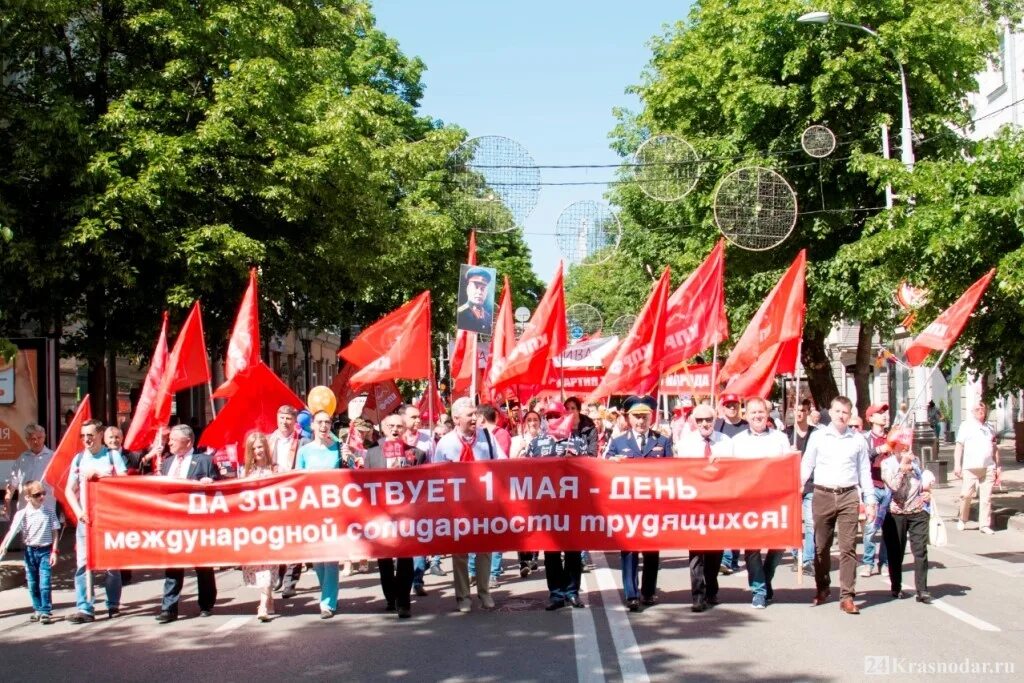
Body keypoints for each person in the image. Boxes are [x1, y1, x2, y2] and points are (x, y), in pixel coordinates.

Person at [801, 396, 874, 615]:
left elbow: (864, 473)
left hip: (848, 495)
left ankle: (847, 596)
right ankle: (823, 587)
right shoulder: (818, 436)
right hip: (822, 494)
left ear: (849, 415)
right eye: (838, 411)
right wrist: (797, 487)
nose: (841, 416)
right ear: (830, 412)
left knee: (848, 547)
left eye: (845, 412)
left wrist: (869, 502)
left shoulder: (858, 440)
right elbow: (807, 464)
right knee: (821, 547)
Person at [434, 397, 507, 612]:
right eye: (470, 415)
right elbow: (436, 475)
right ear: (456, 419)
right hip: (458, 508)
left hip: (484, 504)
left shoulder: (487, 437)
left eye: (475, 414)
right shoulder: (446, 443)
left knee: (484, 550)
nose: (475, 418)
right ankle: (463, 596)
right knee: (460, 553)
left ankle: (484, 592)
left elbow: (503, 464)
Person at [605, 395, 672, 612]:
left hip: (653, 506)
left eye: (644, 416)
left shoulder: (662, 441)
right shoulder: (618, 442)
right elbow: (603, 468)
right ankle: (631, 594)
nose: (641, 421)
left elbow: (674, 471)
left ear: (651, 417)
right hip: (628, 507)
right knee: (629, 550)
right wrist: (611, 463)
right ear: (629, 418)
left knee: (652, 550)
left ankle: (648, 591)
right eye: (636, 417)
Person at [730, 398, 797, 609]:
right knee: (752, 549)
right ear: (746, 415)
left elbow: (789, 469)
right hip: (749, 502)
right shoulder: (738, 441)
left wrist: (793, 458)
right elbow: (727, 468)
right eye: (753, 412)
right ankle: (759, 590)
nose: (757, 415)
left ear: (767, 414)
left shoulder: (780, 438)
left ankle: (765, 578)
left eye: (761, 412)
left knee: (778, 546)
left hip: (776, 501)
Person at [364, 414, 426, 619]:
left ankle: (404, 600)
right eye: (391, 426)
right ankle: (390, 596)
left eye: (399, 426)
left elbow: (424, 485)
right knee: (384, 558)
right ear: (383, 427)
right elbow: (365, 484)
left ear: (405, 428)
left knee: (405, 557)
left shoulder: (416, 453)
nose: (395, 429)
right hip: (380, 514)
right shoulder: (372, 453)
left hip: (406, 514)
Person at [156, 424, 220, 623]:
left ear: (188, 441)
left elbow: (221, 488)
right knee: (173, 565)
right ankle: (169, 608)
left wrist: (212, 483)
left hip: (198, 523)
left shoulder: (205, 461)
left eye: (174, 439)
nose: (170, 442)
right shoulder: (167, 463)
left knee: (202, 565)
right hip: (173, 523)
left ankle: (206, 604)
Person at [65, 419, 126, 623]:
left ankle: (113, 605)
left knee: (111, 564)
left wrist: (100, 477)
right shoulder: (79, 459)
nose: (86, 439)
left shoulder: (112, 456)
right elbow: (69, 490)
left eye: (90, 435)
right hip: (86, 520)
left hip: (109, 519)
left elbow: (124, 484)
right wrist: (78, 511)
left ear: (100, 434)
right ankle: (85, 608)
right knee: (83, 564)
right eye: (83, 436)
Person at [674, 404, 732, 612]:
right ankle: (697, 595)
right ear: (694, 422)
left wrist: (722, 463)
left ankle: (711, 589)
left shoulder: (725, 442)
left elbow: (737, 470)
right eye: (700, 421)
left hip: (718, 503)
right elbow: (680, 471)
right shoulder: (686, 443)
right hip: (695, 503)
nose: (704, 424)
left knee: (715, 551)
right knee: (697, 551)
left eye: (708, 419)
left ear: (715, 419)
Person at [296, 410, 344, 618]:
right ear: (313, 425)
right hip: (312, 510)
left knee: (331, 558)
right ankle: (326, 591)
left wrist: (350, 458)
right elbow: (297, 480)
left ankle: (327, 602)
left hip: (334, 510)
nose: (324, 426)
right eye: (320, 422)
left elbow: (348, 474)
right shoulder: (304, 451)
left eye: (327, 422)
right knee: (317, 559)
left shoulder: (339, 448)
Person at [881, 436, 933, 604]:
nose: (905, 448)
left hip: (917, 511)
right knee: (896, 552)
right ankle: (896, 586)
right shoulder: (887, 464)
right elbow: (894, 486)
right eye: (901, 445)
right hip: (895, 512)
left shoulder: (916, 461)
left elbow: (924, 481)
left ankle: (922, 590)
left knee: (920, 550)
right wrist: (903, 467)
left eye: (906, 445)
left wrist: (927, 492)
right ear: (893, 447)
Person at [0, 480, 60, 624]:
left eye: (43, 493)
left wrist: (54, 551)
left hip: (45, 550)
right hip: (30, 551)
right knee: (32, 582)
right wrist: (4, 544)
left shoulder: (49, 512)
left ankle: (45, 610)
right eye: (37, 494)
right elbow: (13, 530)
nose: (41, 497)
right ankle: (37, 608)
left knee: (44, 582)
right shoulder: (22, 514)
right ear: (27, 497)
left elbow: (55, 532)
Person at [240, 432, 277, 622]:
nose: (258, 451)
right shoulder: (245, 473)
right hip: (253, 527)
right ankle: (268, 596)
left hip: (272, 525)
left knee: (269, 565)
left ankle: (262, 604)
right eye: (254, 448)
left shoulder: (276, 469)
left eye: (260, 447)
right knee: (258, 566)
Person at [954, 401, 1000, 535]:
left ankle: (984, 524)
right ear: (972, 412)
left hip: (988, 466)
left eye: (982, 408)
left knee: (986, 498)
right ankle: (962, 519)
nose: (980, 410)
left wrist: (998, 466)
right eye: (977, 409)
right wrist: (958, 465)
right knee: (966, 495)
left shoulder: (990, 427)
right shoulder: (966, 425)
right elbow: (959, 446)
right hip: (970, 467)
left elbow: (995, 447)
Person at [714, 392, 747, 575]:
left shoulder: (746, 427)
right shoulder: (717, 426)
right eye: (728, 405)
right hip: (723, 480)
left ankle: (732, 557)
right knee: (726, 519)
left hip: (742, 480)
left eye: (735, 404)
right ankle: (726, 559)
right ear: (723, 407)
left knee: (736, 520)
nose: (732, 408)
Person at [860, 404, 892, 577]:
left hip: (888, 488)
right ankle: (868, 562)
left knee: (888, 528)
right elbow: (864, 458)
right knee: (871, 527)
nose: (884, 416)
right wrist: (880, 449)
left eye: (885, 413)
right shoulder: (865, 438)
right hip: (872, 487)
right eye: (880, 413)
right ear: (870, 418)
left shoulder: (892, 437)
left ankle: (884, 562)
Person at [785, 403, 816, 575]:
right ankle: (797, 554)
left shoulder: (815, 433)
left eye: (803, 410)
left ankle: (808, 559)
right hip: (791, 484)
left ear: (808, 412)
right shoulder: (787, 434)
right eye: (796, 410)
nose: (799, 413)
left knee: (811, 522)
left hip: (811, 484)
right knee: (794, 523)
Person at [4, 423, 54, 519]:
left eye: (39, 438)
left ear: (44, 437)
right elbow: (12, 483)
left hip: (47, 511)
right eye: (32, 439)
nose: (36, 441)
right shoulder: (22, 459)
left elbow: (62, 485)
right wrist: (7, 503)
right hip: (25, 511)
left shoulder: (53, 457)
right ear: (27, 440)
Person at [456, 266, 494, 334]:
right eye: (476, 287)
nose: (479, 292)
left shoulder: (488, 317)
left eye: (483, 289)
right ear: (468, 289)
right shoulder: (461, 313)